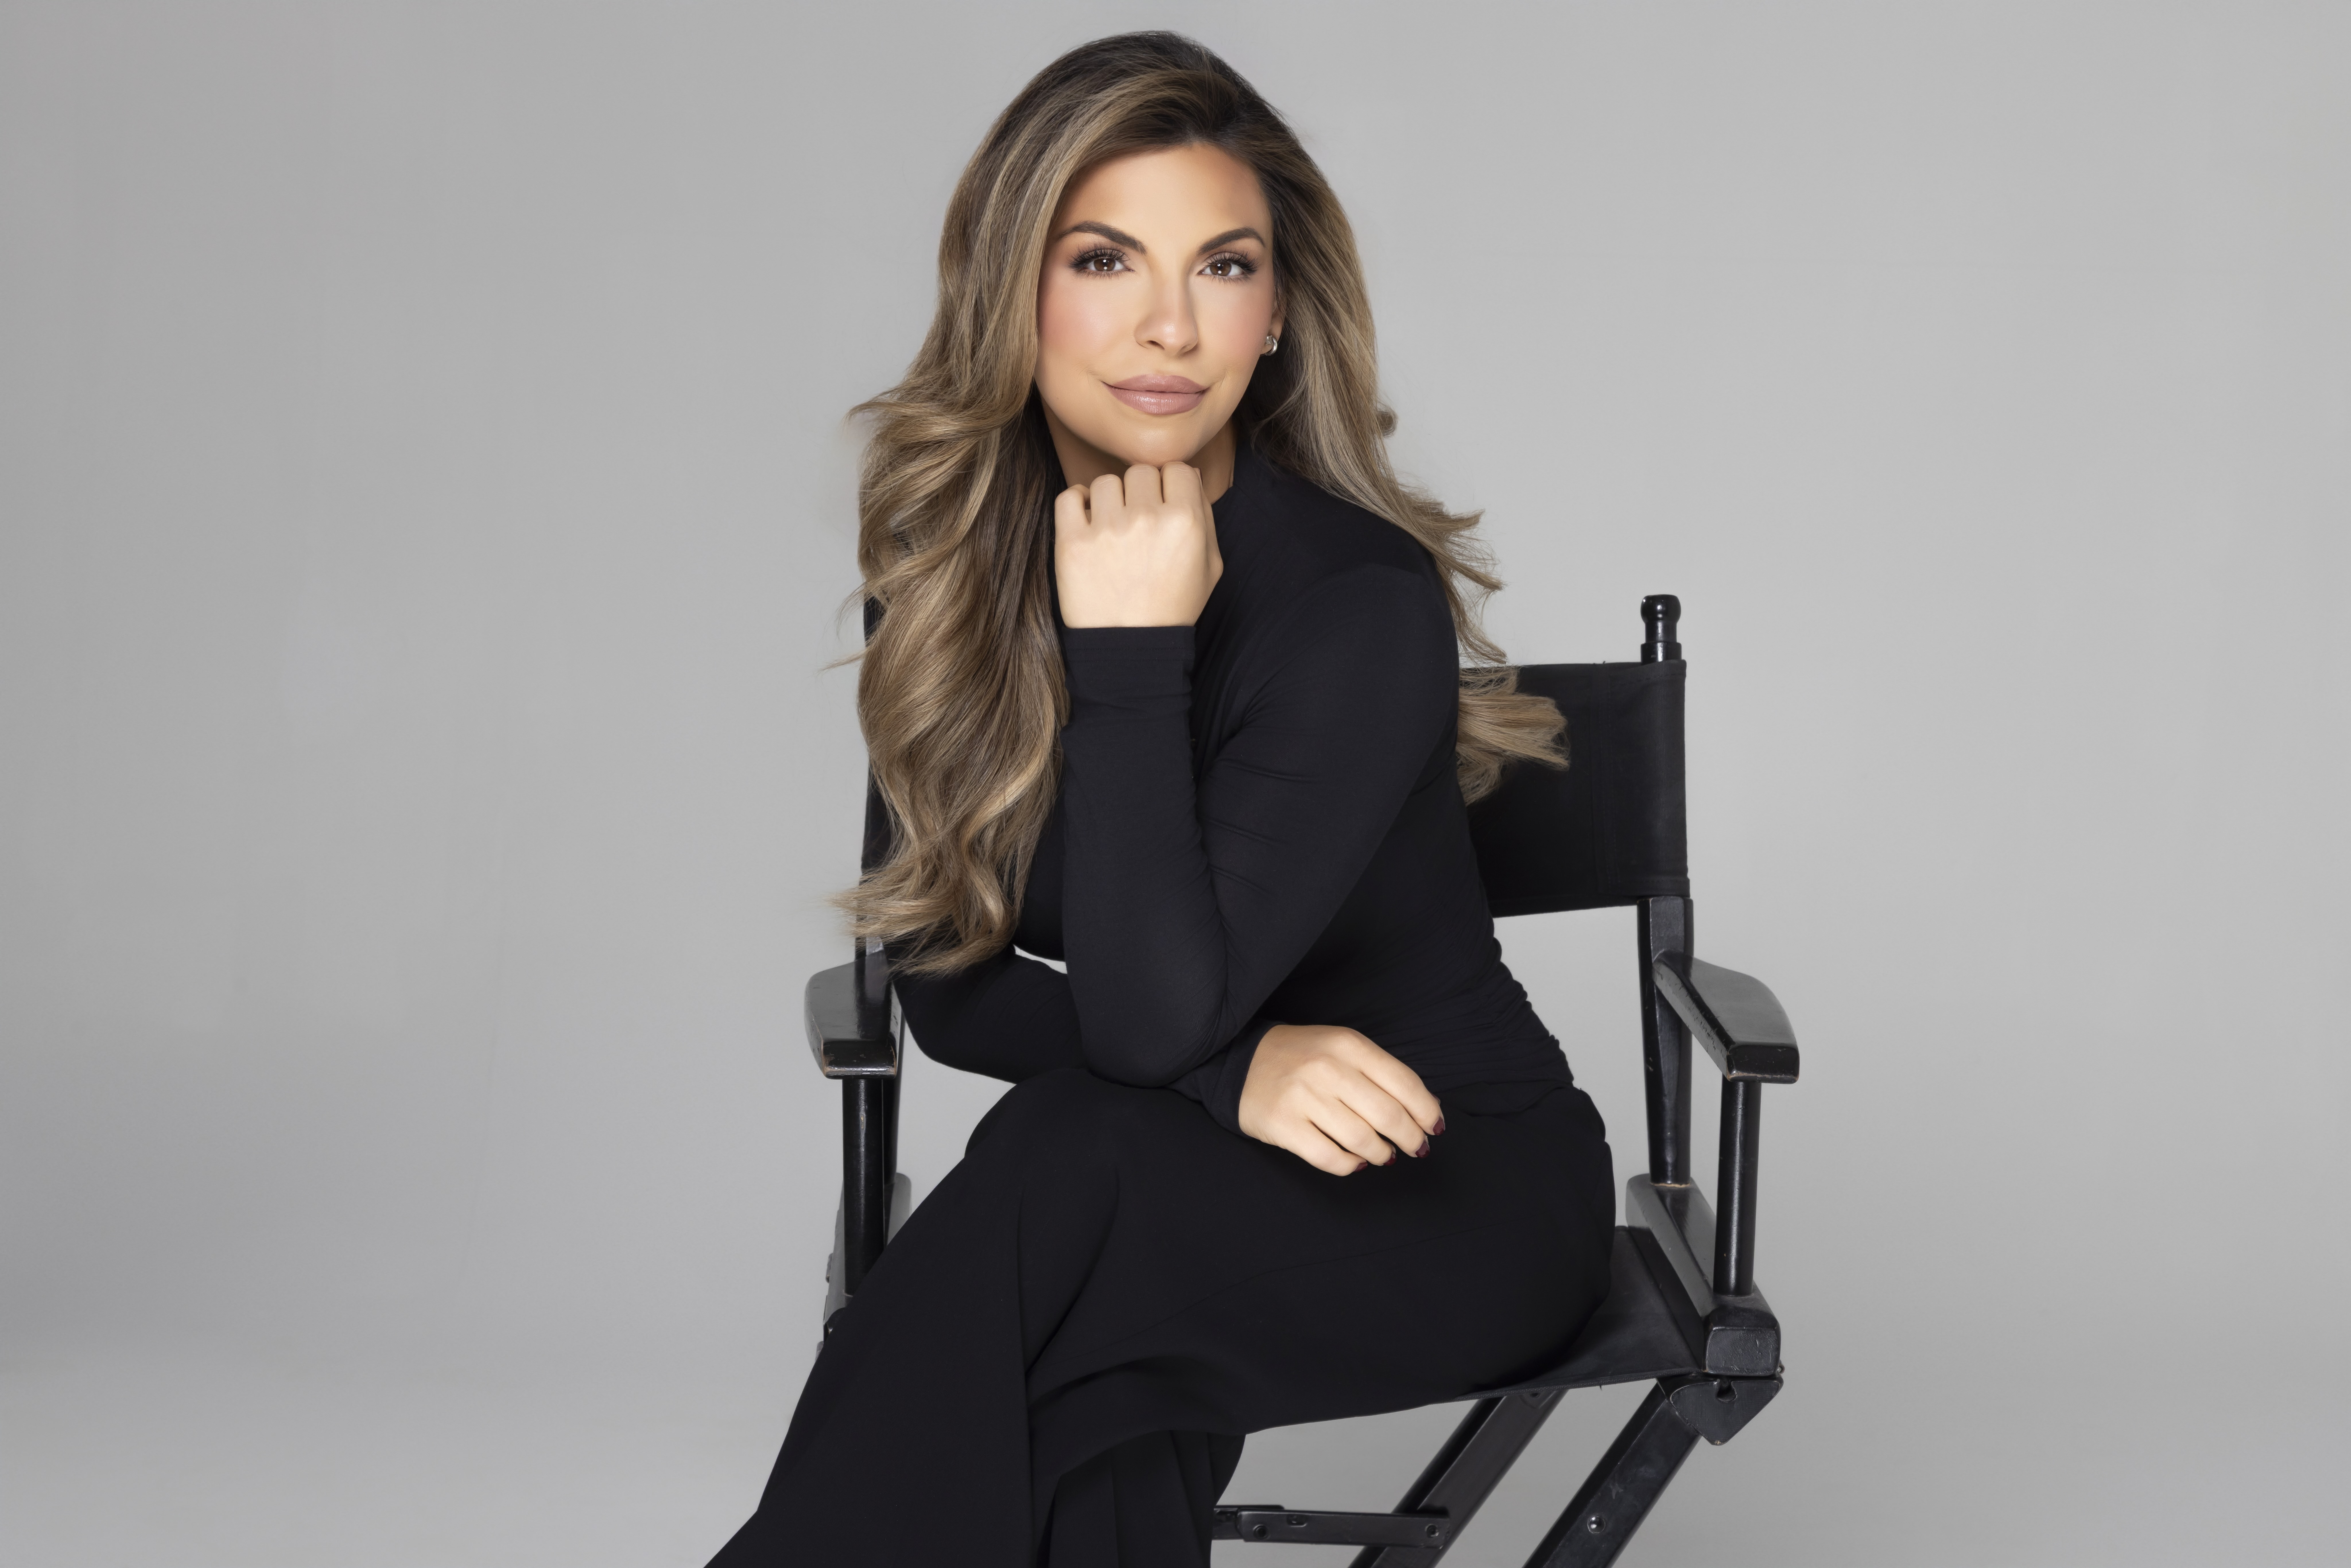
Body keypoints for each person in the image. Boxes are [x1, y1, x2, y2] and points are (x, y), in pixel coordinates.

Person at [708, 32, 1615, 1568]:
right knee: (1088, 1338)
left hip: (1446, 1179)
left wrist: (1133, 654)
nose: (1171, 326)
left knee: (1072, 1173)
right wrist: (1234, 1070)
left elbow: (1136, 1030)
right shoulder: (948, 574)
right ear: (1013, 288)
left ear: (1280, 313)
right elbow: (947, 981)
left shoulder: (1351, 602)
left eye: (1225, 267)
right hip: (1175, 1175)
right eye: (1106, 259)